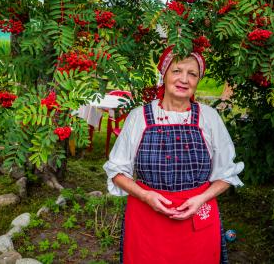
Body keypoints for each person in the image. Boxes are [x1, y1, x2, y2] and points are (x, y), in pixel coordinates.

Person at [103, 45, 244, 264]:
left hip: (197, 217)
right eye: (177, 71)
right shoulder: (138, 117)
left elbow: (226, 174)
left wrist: (201, 198)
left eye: (192, 74)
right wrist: (145, 195)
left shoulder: (209, 118)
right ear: (164, 73)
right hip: (147, 219)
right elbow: (117, 172)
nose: (184, 79)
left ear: (198, 80)